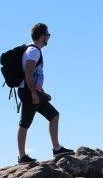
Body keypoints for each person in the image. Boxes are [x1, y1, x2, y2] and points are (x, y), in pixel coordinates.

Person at [16, 23, 74, 163]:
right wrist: (34, 94)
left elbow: (35, 75)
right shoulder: (33, 51)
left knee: (54, 115)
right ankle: (22, 156)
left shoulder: (32, 50)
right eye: (48, 35)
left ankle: (56, 148)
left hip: (33, 91)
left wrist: (42, 93)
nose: (48, 38)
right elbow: (29, 73)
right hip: (28, 91)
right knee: (25, 123)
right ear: (42, 36)